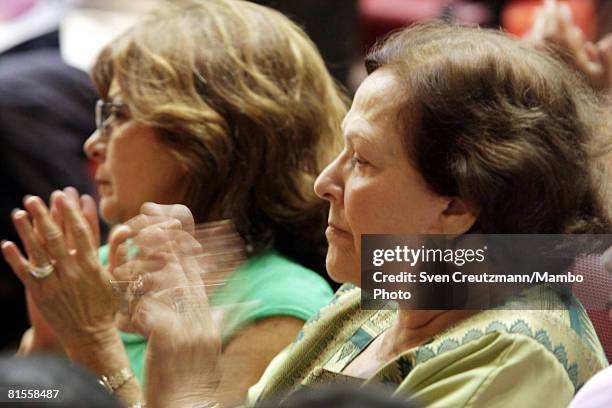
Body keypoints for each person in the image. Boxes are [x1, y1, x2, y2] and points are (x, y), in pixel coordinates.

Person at [115, 21, 609, 407]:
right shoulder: (373, 296)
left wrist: (185, 388)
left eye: (361, 161)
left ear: (459, 204)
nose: (323, 184)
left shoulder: (515, 356)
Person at [1, 0, 346, 405]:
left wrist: (92, 344)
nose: (93, 143)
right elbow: (29, 396)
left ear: (201, 134)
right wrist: (48, 342)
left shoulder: (282, 306)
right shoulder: (111, 260)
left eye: (116, 115)